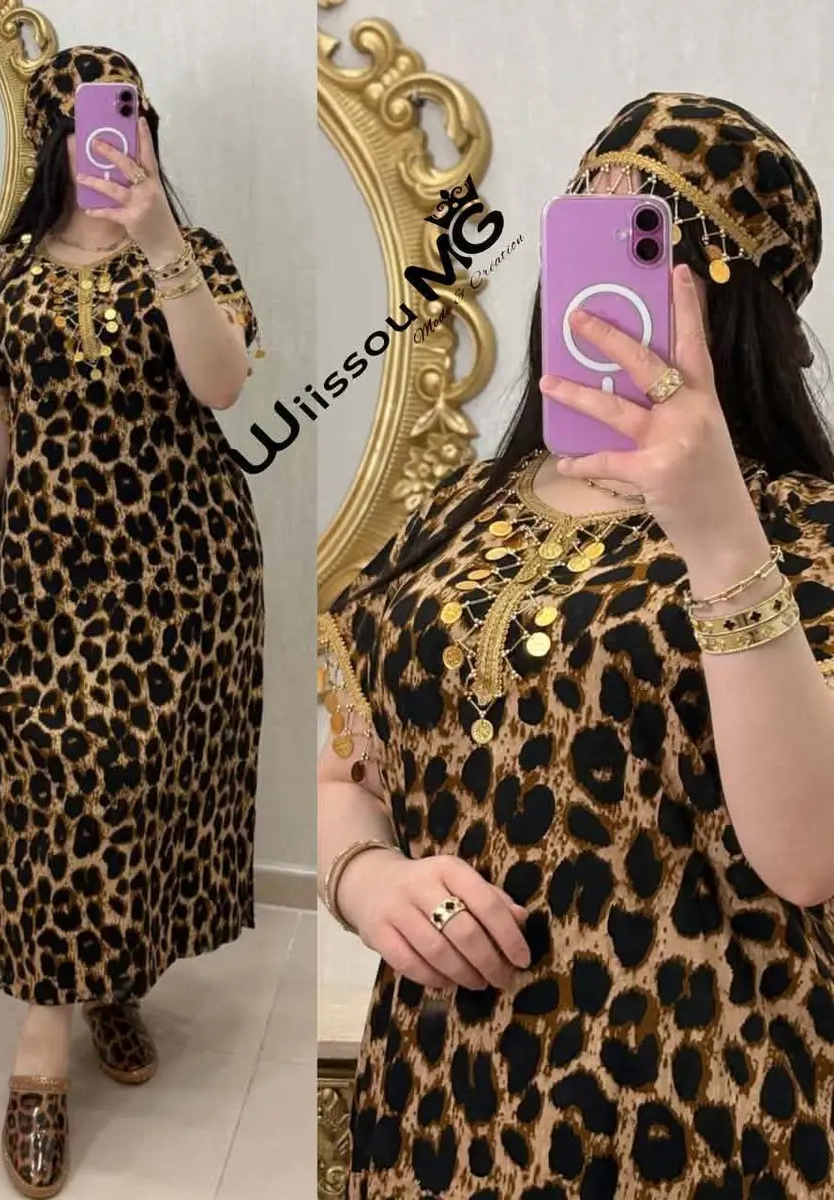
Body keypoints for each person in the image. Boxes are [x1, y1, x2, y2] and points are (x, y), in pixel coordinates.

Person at [317, 91, 834, 1199]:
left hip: (707, 1107)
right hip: (439, 1104)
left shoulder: (803, 532)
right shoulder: (452, 513)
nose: (599, 284)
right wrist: (367, 879)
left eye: (645, 241)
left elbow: (809, 855)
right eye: (583, 223)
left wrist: (717, 530)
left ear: (728, 301)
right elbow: (344, 775)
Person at [0, 46, 263, 1198]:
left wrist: (159, 238)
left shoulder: (197, 256)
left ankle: (108, 976)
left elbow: (221, 387)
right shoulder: (3, 279)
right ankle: (41, 1055)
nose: (111, 135)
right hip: (39, 582)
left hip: (180, 581)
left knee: (135, 791)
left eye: (129, 116)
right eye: (83, 120)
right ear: (48, 143)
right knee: (49, 796)